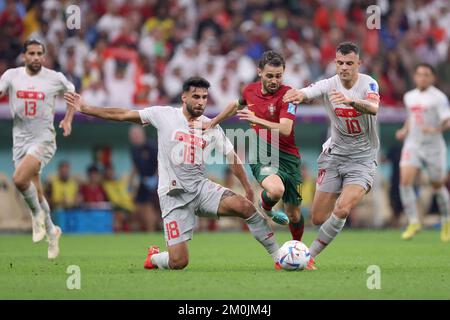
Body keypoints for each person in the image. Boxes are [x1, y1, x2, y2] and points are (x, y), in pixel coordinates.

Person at [64, 77, 281, 270]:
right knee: (179, 262)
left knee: (244, 206)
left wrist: (247, 188)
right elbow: (123, 114)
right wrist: (86, 108)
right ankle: (155, 258)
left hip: (201, 189)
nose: (201, 102)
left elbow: (232, 158)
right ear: (184, 97)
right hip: (173, 196)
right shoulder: (163, 115)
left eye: (205, 97)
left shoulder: (211, 126)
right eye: (196, 96)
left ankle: (279, 256)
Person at [283, 42, 381, 269]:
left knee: (343, 208)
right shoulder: (330, 84)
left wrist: (351, 101)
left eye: (349, 63)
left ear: (359, 63)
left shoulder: (369, 83)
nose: (344, 67)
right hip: (334, 155)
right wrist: (298, 94)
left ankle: (308, 257)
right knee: (317, 218)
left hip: (362, 159)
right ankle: (336, 206)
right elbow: (311, 90)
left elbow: (373, 108)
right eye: (340, 63)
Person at [196, 51, 305, 243]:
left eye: (278, 76)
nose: (274, 80)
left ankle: (298, 248)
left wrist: (257, 119)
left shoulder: (289, 95)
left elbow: (286, 129)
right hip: (262, 152)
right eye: (270, 75)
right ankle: (266, 206)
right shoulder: (250, 90)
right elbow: (236, 105)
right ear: (260, 72)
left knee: (294, 214)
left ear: (284, 73)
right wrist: (213, 121)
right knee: (276, 190)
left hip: (289, 158)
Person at [0, 39, 75, 259]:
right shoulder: (12, 76)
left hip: (43, 139)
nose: (35, 57)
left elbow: (72, 93)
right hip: (20, 140)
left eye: (39, 53)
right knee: (35, 189)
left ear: (44, 56)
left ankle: (36, 218)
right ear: (24, 56)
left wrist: (68, 119)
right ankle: (52, 231)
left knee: (19, 179)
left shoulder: (54, 78)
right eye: (31, 53)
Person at [395, 63, 450, 242]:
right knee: (404, 181)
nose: (422, 78)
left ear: (433, 78)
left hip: (433, 147)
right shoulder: (409, 96)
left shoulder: (439, 98)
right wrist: (404, 130)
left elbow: (447, 121)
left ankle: (447, 220)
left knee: (437, 185)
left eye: (426, 74)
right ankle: (413, 221)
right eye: (419, 74)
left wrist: (434, 130)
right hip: (414, 144)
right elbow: (411, 118)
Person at [128, 125, 160, 232]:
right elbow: (135, 167)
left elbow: (161, 163)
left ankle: (151, 232)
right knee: (139, 207)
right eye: (132, 136)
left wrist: (156, 179)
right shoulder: (133, 150)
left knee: (149, 208)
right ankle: (150, 229)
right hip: (143, 181)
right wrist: (130, 182)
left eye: (136, 135)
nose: (134, 137)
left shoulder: (152, 146)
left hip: (156, 181)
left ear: (142, 135)